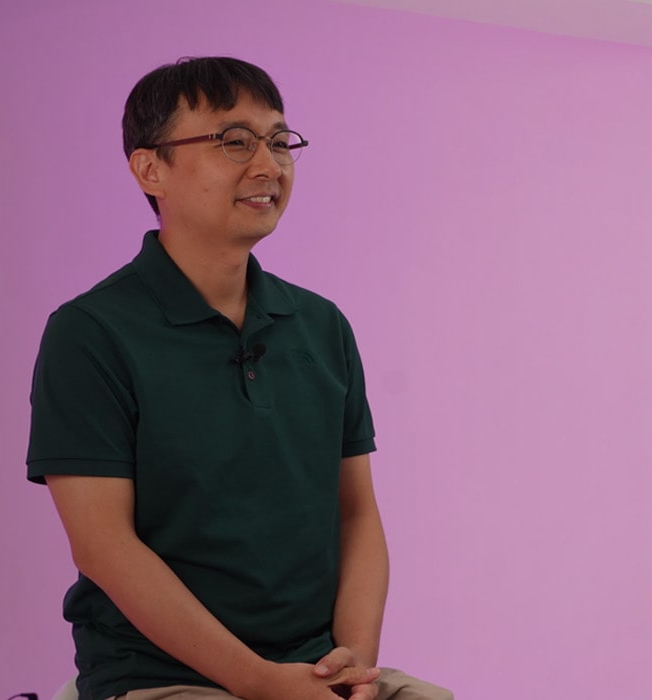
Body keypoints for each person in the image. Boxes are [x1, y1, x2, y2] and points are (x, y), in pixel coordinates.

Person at [25, 57, 452, 700]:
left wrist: (354, 665)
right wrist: (260, 685)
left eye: (280, 142)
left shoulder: (321, 324)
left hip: (315, 670)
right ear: (150, 168)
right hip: (161, 677)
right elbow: (104, 548)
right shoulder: (91, 333)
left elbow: (357, 515)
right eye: (234, 141)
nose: (268, 165)